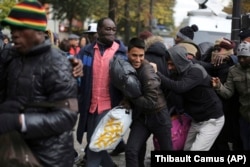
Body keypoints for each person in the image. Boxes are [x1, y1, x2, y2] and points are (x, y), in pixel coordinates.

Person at [0, 1, 78, 167]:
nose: (14, 33)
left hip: (46, 159)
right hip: (13, 153)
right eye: (12, 28)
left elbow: (66, 117)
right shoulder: (11, 56)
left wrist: (20, 121)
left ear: (38, 31)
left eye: (20, 28)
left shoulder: (57, 64)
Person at [152, 45, 225, 150]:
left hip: (212, 120)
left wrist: (157, 73)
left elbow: (180, 87)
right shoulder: (177, 73)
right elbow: (170, 91)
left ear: (180, 61)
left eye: (172, 64)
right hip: (197, 120)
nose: (169, 68)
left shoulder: (196, 71)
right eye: (168, 64)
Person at [76, 17, 127, 167]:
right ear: (98, 31)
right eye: (107, 29)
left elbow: (128, 79)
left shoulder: (121, 53)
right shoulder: (86, 52)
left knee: (95, 145)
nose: (111, 32)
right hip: (91, 106)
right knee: (95, 141)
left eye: (113, 30)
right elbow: (79, 71)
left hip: (110, 107)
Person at [123, 37, 172, 167]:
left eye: (141, 55)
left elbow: (150, 101)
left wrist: (131, 98)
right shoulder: (126, 66)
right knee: (131, 151)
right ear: (128, 53)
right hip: (143, 117)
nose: (137, 59)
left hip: (159, 116)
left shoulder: (147, 70)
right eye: (134, 55)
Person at [212, 41, 250, 150]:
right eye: (240, 57)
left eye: (245, 57)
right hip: (245, 117)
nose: (242, 60)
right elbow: (228, 93)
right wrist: (218, 86)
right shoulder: (233, 71)